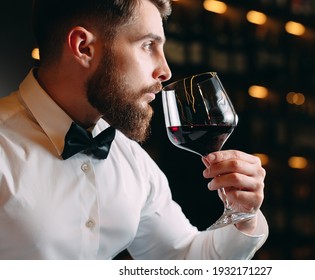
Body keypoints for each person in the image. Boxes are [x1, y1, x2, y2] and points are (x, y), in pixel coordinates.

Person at [0, 0, 268, 259]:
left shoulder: (130, 158)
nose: (165, 71)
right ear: (84, 48)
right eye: (148, 45)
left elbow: (182, 260)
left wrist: (243, 217)